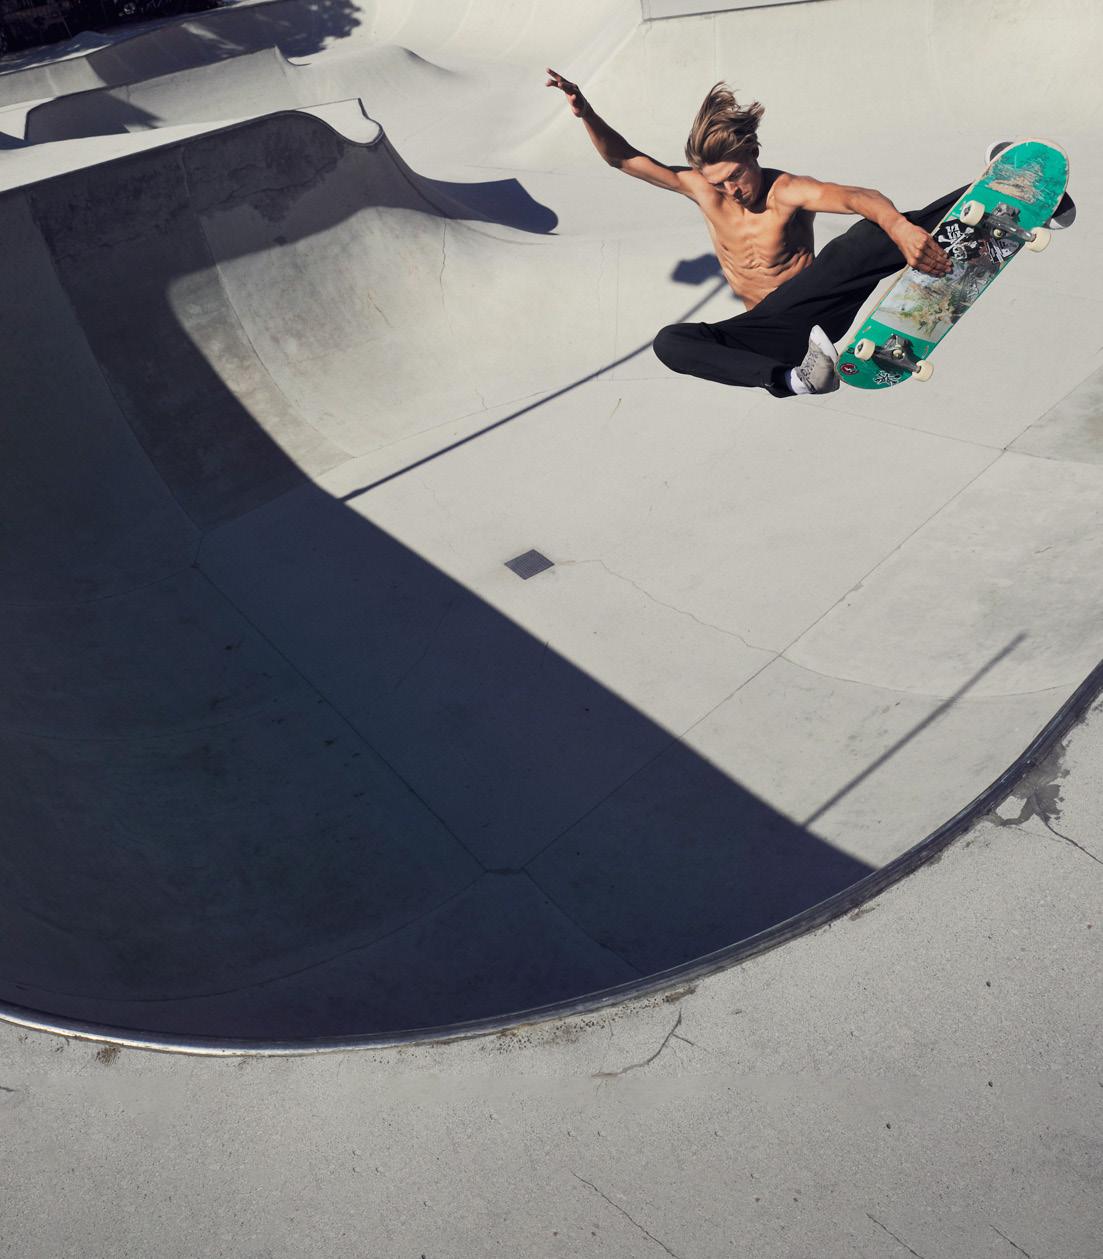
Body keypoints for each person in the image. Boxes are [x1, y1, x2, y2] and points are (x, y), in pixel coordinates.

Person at [545, 71, 1070, 397]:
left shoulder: (788, 191)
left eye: (736, 177)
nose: (730, 191)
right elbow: (623, 159)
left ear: (753, 154)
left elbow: (858, 197)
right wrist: (586, 113)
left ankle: (1013, 191)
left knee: (864, 237)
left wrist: (900, 230)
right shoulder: (703, 190)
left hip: (819, 306)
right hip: (768, 335)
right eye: (718, 183)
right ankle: (796, 380)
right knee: (670, 342)